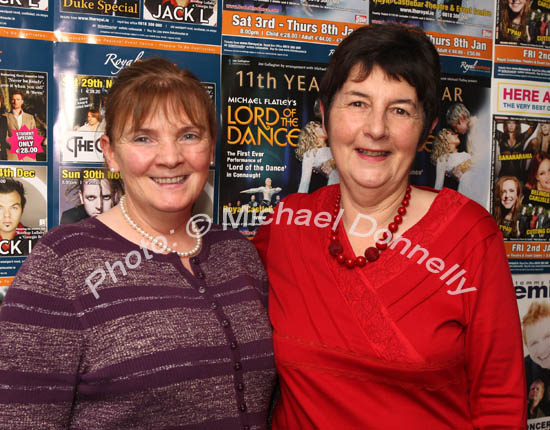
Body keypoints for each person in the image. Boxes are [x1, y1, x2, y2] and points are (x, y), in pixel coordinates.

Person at [253, 24, 526, 428]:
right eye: (358, 103)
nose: (376, 129)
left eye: (400, 110)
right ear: (325, 118)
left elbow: (500, 403)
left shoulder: (470, 237)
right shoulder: (288, 225)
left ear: (425, 130)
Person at [0, 58, 276, 429]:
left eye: (189, 135)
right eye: (144, 138)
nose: (170, 157)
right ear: (111, 153)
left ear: (211, 148)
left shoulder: (238, 253)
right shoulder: (62, 264)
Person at [295, 120, 339, 193]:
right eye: (321, 127)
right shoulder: (310, 154)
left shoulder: (335, 147)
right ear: (312, 133)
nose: (325, 128)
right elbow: (304, 183)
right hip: (334, 191)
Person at [523, 301, 550, 416]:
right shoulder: (523, 371)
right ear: (527, 347)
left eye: (548, 336)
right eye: (534, 343)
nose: (542, 348)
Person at [0, 178, 34, 256]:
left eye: (14, 207)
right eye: (0, 208)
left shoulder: (39, 239)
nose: (7, 215)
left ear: (22, 208)